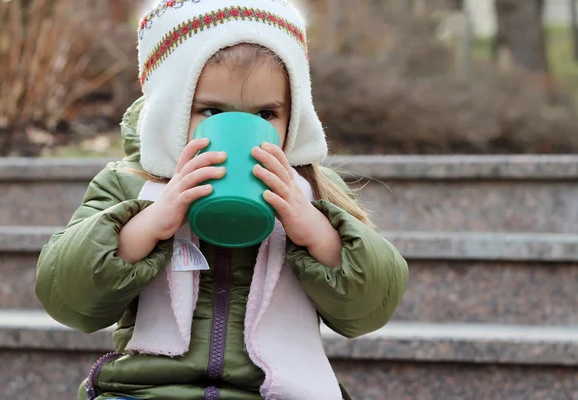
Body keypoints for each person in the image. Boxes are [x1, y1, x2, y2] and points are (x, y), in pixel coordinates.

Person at [35, 1, 409, 399]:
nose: (246, 129)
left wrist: (318, 234)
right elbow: (66, 297)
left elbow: (372, 307)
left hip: (273, 392)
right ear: (172, 109)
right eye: (211, 110)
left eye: (267, 114)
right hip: (148, 389)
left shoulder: (314, 191)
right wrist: (147, 224)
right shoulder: (130, 184)